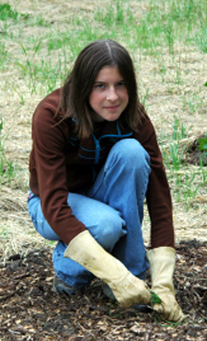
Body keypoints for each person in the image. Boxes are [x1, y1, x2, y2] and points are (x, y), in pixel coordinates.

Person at [27, 39, 185, 322]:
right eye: (101, 86)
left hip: (100, 197)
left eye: (120, 84)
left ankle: (133, 272)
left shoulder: (134, 116)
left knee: (133, 154)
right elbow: (53, 203)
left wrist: (163, 282)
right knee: (107, 225)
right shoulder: (52, 115)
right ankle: (70, 273)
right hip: (49, 204)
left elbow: (159, 197)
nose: (113, 96)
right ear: (83, 85)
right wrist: (115, 276)